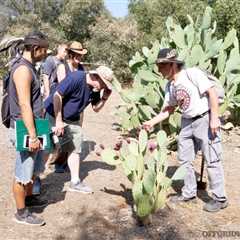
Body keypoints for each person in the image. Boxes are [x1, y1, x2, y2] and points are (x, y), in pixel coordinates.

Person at [143, 48, 228, 212]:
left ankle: (220, 198)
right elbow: (168, 109)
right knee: (184, 159)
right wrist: (151, 122)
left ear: (172, 65)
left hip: (204, 118)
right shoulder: (170, 86)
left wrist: (215, 118)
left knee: (212, 160)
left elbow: (211, 93)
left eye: (161, 66)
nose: (159, 70)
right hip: (187, 121)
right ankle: (189, 192)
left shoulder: (192, 74)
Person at [44, 65, 113, 193]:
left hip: (72, 118)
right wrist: (59, 121)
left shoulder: (95, 90)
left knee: (75, 148)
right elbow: (57, 96)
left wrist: (104, 98)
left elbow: (96, 109)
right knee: (46, 147)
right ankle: (36, 179)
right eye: (103, 84)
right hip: (53, 114)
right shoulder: (76, 78)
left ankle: (75, 182)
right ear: (95, 76)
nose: (104, 87)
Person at [9, 31, 49, 225]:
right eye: (44, 50)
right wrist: (33, 136)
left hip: (36, 125)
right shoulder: (23, 70)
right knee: (22, 172)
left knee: (33, 169)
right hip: (25, 127)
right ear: (34, 49)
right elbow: (25, 105)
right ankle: (21, 213)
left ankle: (30, 199)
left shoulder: (30, 67)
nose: (46, 53)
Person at [52, 41, 88, 173]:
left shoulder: (81, 68)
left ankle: (67, 162)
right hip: (62, 106)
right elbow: (63, 90)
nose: (79, 57)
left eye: (80, 55)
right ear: (70, 54)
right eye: (76, 54)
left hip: (76, 109)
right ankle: (59, 163)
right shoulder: (63, 67)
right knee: (63, 138)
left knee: (73, 138)